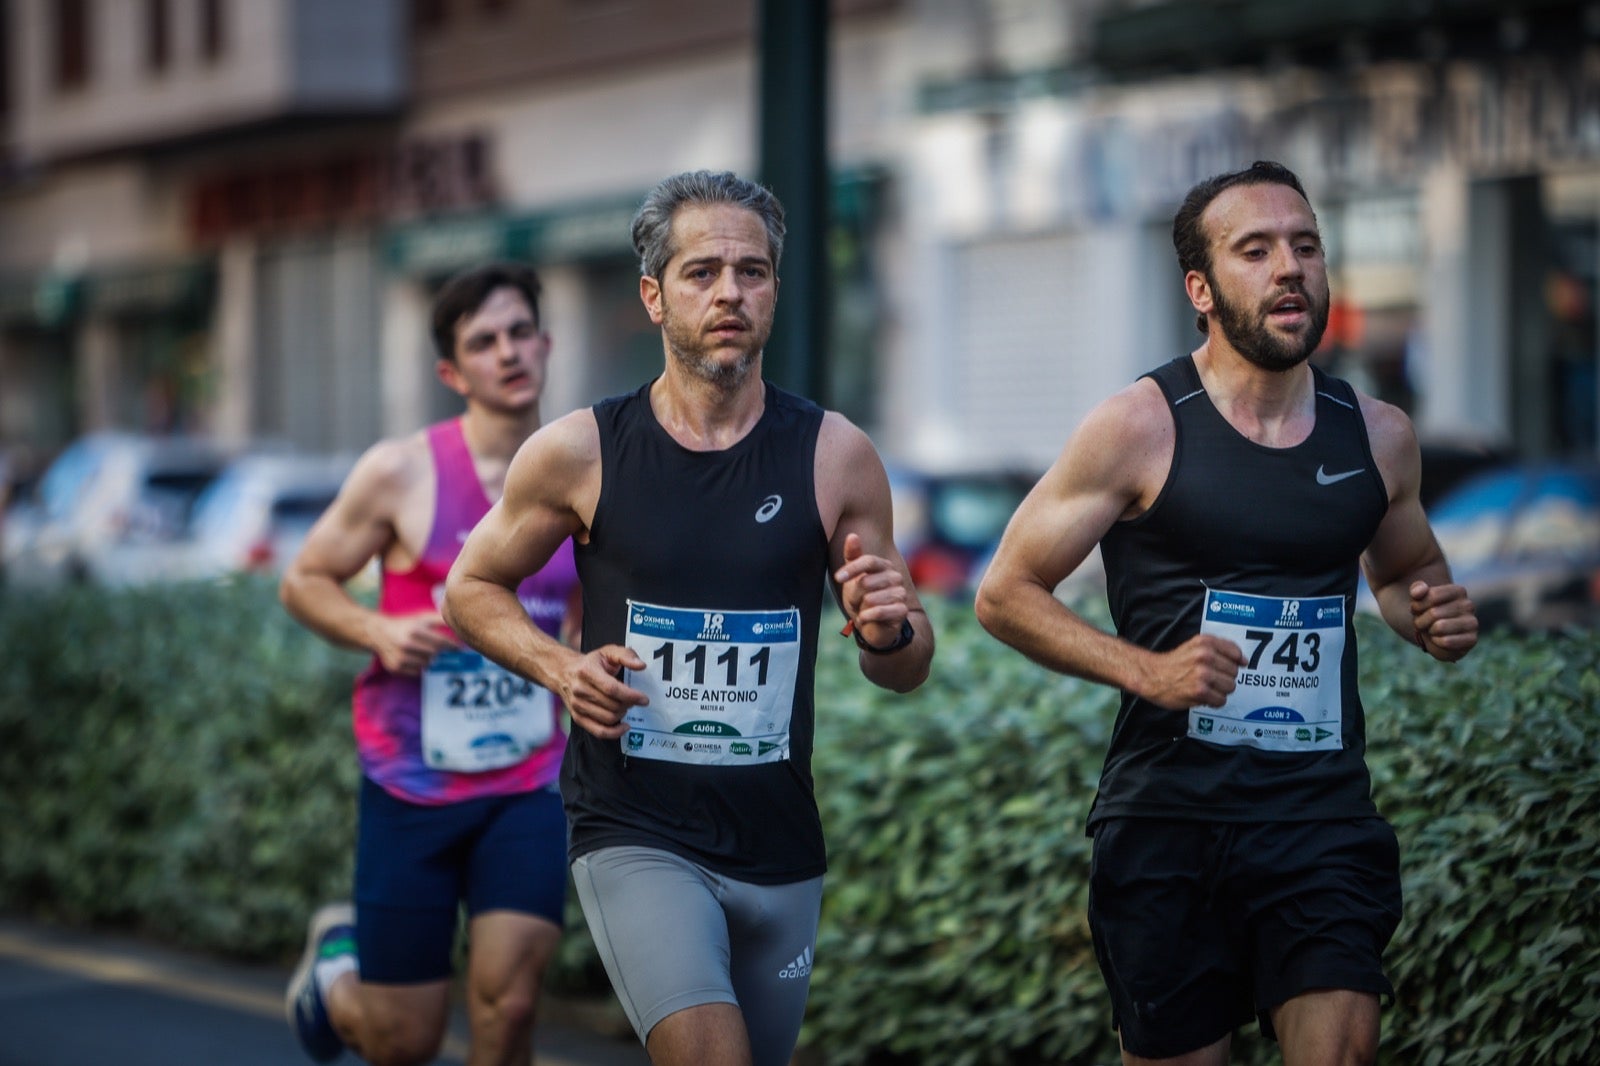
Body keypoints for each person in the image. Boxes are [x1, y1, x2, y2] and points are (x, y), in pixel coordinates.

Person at [974, 161, 1479, 1066]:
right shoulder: (1140, 425)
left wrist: (1428, 616)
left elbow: (1407, 577)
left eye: (1306, 246)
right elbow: (1004, 592)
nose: (1290, 268)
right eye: (1256, 250)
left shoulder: (1377, 434)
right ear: (1200, 289)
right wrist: (1148, 670)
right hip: (1170, 824)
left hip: (1319, 818)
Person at [442, 169, 935, 1066]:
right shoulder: (580, 452)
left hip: (781, 844)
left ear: (776, 290)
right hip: (635, 831)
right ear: (653, 295)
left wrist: (892, 628)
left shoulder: (835, 456)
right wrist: (561, 670)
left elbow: (900, 664)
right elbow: (469, 588)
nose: (730, 294)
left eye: (752, 272)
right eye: (702, 272)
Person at [279, 262, 579, 1066]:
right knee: (399, 1041)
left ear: (547, 344)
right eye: (484, 342)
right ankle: (333, 978)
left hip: (528, 783)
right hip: (410, 785)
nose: (508, 353)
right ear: (452, 372)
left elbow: (583, 613)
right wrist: (375, 629)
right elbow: (303, 580)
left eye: (521, 333)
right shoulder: (400, 472)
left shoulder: (585, 469)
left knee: (511, 1005)